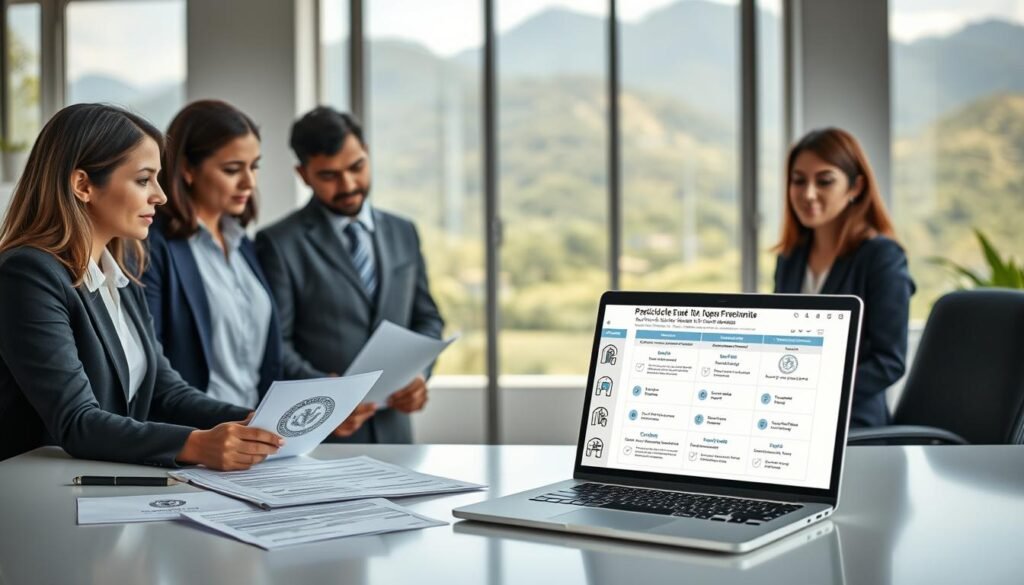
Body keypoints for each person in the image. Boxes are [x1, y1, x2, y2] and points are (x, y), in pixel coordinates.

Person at [0, 103, 283, 468]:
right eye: (143, 179)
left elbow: (165, 391)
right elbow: (76, 421)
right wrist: (197, 445)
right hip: (42, 495)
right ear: (83, 185)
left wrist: (254, 421)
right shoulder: (28, 274)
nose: (161, 196)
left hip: (99, 488)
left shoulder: (122, 273)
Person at [256, 107, 444, 443]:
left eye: (356, 167)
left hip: (397, 435)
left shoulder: (404, 231)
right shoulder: (278, 243)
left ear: (367, 154)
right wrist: (330, 395)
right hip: (321, 438)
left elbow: (427, 318)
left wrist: (419, 375)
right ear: (303, 174)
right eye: (329, 176)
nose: (348, 184)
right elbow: (276, 346)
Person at [143, 100, 281, 410]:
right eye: (232, 169)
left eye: (254, 166)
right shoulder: (154, 246)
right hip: (195, 437)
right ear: (188, 169)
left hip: (253, 434)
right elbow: (152, 366)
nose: (249, 182)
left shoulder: (243, 244)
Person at [773, 127, 915, 428]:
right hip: (790, 417)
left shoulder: (882, 257)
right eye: (798, 181)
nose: (808, 193)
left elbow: (888, 362)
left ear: (856, 187)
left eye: (824, 181)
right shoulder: (790, 259)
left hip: (853, 424)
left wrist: (815, 394)